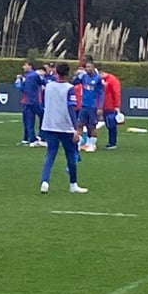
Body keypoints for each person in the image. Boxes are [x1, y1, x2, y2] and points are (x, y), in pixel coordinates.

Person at [39, 62, 89, 195]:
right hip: (65, 127)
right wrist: (76, 128)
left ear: (56, 72)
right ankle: (73, 184)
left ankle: (45, 181)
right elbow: (71, 108)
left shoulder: (48, 86)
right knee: (71, 156)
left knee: (50, 155)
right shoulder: (69, 88)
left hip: (50, 125)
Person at [73, 57, 105, 153]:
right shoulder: (84, 77)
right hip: (84, 105)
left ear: (93, 67)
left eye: (89, 67)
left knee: (92, 126)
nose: (87, 69)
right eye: (86, 67)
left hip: (93, 106)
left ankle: (92, 144)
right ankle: (78, 144)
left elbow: (101, 93)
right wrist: (77, 76)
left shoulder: (98, 78)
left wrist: (100, 106)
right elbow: (74, 83)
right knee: (79, 125)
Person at [15, 61, 46, 146]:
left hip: (30, 101)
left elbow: (22, 88)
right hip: (31, 101)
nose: (23, 67)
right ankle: (36, 138)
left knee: (30, 120)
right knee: (35, 118)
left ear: (30, 66)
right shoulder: (31, 76)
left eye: (25, 65)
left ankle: (33, 139)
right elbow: (44, 82)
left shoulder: (32, 75)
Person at [102, 71, 122, 150]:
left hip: (111, 106)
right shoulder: (105, 80)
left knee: (111, 124)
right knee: (108, 124)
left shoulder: (112, 80)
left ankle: (112, 142)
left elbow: (116, 93)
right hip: (105, 106)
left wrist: (117, 106)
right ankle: (111, 142)